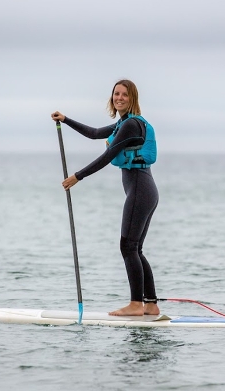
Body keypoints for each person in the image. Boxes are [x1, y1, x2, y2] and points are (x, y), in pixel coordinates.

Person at [50, 79, 160, 316]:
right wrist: (66, 120)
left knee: (128, 247)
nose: (119, 98)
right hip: (145, 191)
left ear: (133, 99)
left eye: (124, 95)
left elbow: (108, 154)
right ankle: (150, 304)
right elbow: (95, 133)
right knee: (135, 249)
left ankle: (135, 305)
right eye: (116, 94)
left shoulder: (131, 125)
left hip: (141, 189)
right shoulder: (124, 123)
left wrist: (78, 176)